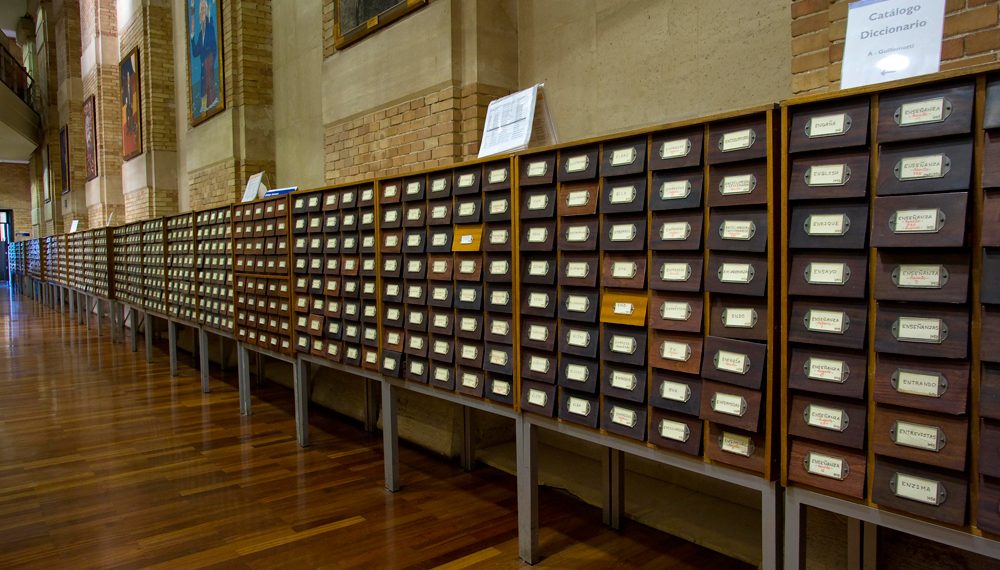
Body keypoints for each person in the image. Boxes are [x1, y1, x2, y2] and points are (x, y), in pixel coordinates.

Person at [190, 0, 219, 115]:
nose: (202, 13)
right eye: (200, 11)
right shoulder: (200, 33)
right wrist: (192, 37)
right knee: (203, 86)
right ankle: (204, 106)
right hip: (203, 69)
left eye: (203, 10)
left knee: (208, 82)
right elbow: (195, 53)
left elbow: (213, 45)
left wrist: (209, 57)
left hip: (209, 63)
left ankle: (210, 101)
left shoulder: (210, 25)